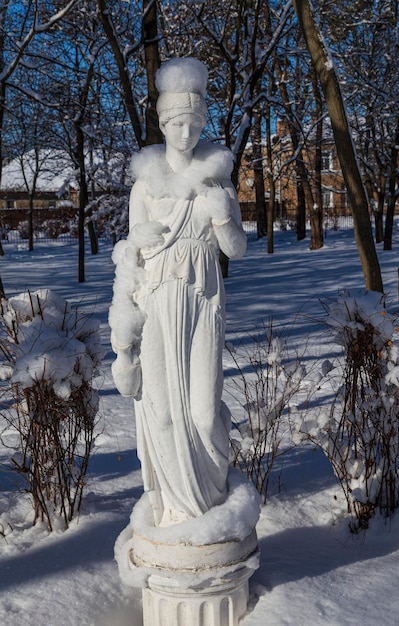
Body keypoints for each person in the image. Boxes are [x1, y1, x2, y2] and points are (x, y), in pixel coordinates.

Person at [109, 57, 246, 527]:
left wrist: (222, 213)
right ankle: (173, 516)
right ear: (164, 124)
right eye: (176, 123)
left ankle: (210, 507)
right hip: (156, 305)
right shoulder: (146, 185)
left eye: (193, 123)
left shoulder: (216, 178)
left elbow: (237, 249)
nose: (185, 133)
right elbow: (129, 261)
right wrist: (133, 245)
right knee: (163, 415)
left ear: (202, 122)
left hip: (203, 303)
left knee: (205, 416)